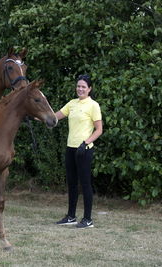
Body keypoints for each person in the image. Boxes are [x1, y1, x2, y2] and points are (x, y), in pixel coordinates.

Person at [55, 74, 103, 229]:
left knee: (85, 184)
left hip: (84, 150)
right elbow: (54, 117)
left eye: (83, 87)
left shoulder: (93, 105)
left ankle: (88, 219)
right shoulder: (72, 103)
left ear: (89, 89)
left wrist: (86, 143)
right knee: (72, 184)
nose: (80, 89)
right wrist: (35, 115)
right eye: (78, 86)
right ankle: (71, 216)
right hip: (71, 149)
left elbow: (99, 130)